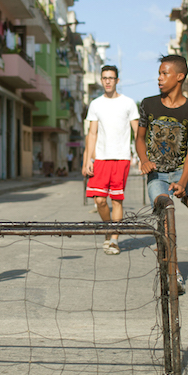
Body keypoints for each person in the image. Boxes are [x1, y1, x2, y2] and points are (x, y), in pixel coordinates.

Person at [136, 55, 188, 295]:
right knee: (165, 220)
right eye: (160, 73)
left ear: (179, 76)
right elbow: (140, 138)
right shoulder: (148, 104)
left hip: (184, 172)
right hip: (157, 175)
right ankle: (174, 274)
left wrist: (183, 182)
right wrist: (144, 160)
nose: (159, 78)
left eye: (165, 73)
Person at [83, 65, 139, 255]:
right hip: (101, 159)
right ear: (101, 80)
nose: (108, 81)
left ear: (117, 81)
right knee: (99, 200)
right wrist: (88, 160)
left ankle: (114, 240)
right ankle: (109, 229)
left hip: (121, 158)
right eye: (105, 78)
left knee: (116, 200)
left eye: (111, 78)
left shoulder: (129, 103)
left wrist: (142, 158)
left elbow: (137, 132)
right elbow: (92, 133)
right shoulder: (96, 104)